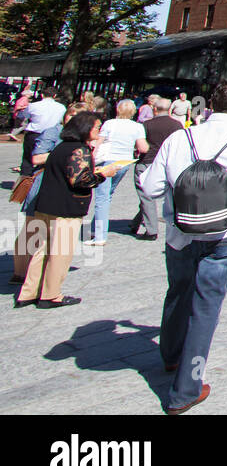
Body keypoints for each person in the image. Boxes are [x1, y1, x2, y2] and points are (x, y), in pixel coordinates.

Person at [141, 80, 227, 414]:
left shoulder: (180, 137)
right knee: (206, 306)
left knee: (177, 291)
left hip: (180, 233)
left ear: (209, 103)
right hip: (226, 234)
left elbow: (150, 187)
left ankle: (170, 356)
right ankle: (186, 389)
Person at [15, 109, 104, 309]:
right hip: (65, 208)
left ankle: (29, 292)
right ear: (86, 128)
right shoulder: (79, 149)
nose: (99, 130)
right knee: (60, 253)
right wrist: (103, 174)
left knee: (41, 250)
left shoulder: (61, 147)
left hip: (46, 205)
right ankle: (51, 294)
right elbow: (81, 180)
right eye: (97, 127)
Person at [11, 101, 84, 285]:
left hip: (63, 184)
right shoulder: (54, 131)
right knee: (32, 228)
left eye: (77, 117)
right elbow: (36, 157)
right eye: (70, 115)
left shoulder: (82, 137)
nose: (72, 119)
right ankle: (20, 273)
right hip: (45, 181)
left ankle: (41, 273)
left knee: (50, 232)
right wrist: (65, 156)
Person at [90, 99, 148, 245]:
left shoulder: (110, 123)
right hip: (124, 162)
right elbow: (143, 148)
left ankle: (99, 235)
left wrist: (91, 158)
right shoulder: (137, 127)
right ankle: (95, 228)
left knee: (102, 198)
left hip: (108, 160)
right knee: (107, 194)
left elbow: (98, 142)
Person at [130, 98, 184, 241]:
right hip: (169, 163)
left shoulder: (146, 125)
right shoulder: (177, 125)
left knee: (145, 195)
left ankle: (151, 230)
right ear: (170, 109)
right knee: (159, 195)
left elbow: (141, 147)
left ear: (154, 109)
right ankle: (136, 223)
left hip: (148, 161)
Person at [20, 87, 65, 177]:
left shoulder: (34, 105)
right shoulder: (61, 107)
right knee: (46, 159)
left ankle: (24, 182)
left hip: (34, 133)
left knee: (28, 158)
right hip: (52, 134)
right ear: (55, 96)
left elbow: (24, 115)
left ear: (42, 95)